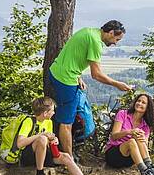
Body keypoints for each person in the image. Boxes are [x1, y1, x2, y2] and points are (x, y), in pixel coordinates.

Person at [48, 20, 132, 157]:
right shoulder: (96, 43)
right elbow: (96, 75)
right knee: (66, 123)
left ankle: (65, 154)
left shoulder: (88, 31)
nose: (115, 43)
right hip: (65, 80)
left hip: (56, 71)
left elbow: (74, 54)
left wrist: (78, 76)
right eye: (116, 39)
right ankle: (69, 162)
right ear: (110, 33)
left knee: (68, 117)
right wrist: (117, 84)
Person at [12, 97, 107, 175]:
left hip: (41, 154)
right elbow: (20, 143)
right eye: (52, 110)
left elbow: (47, 142)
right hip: (26, 156)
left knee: (66, 157)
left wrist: (53, 140)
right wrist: (41, 135)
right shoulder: (29, 122)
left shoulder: (48, 122)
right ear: (45, 113)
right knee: (42, 139)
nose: (54, 113)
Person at [105, 93, 154, 175]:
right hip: (114, 155)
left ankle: (150, 168)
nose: (139, 103)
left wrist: (141, 137)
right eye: (138, 101)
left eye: (143, 102)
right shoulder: (123, 114)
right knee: (132, 141)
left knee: (140, 137)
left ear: (147, 107)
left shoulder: (145, 125)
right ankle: (145, 174)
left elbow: (144, 145)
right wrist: (130, 132)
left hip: (130, 159)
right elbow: (114, 136)